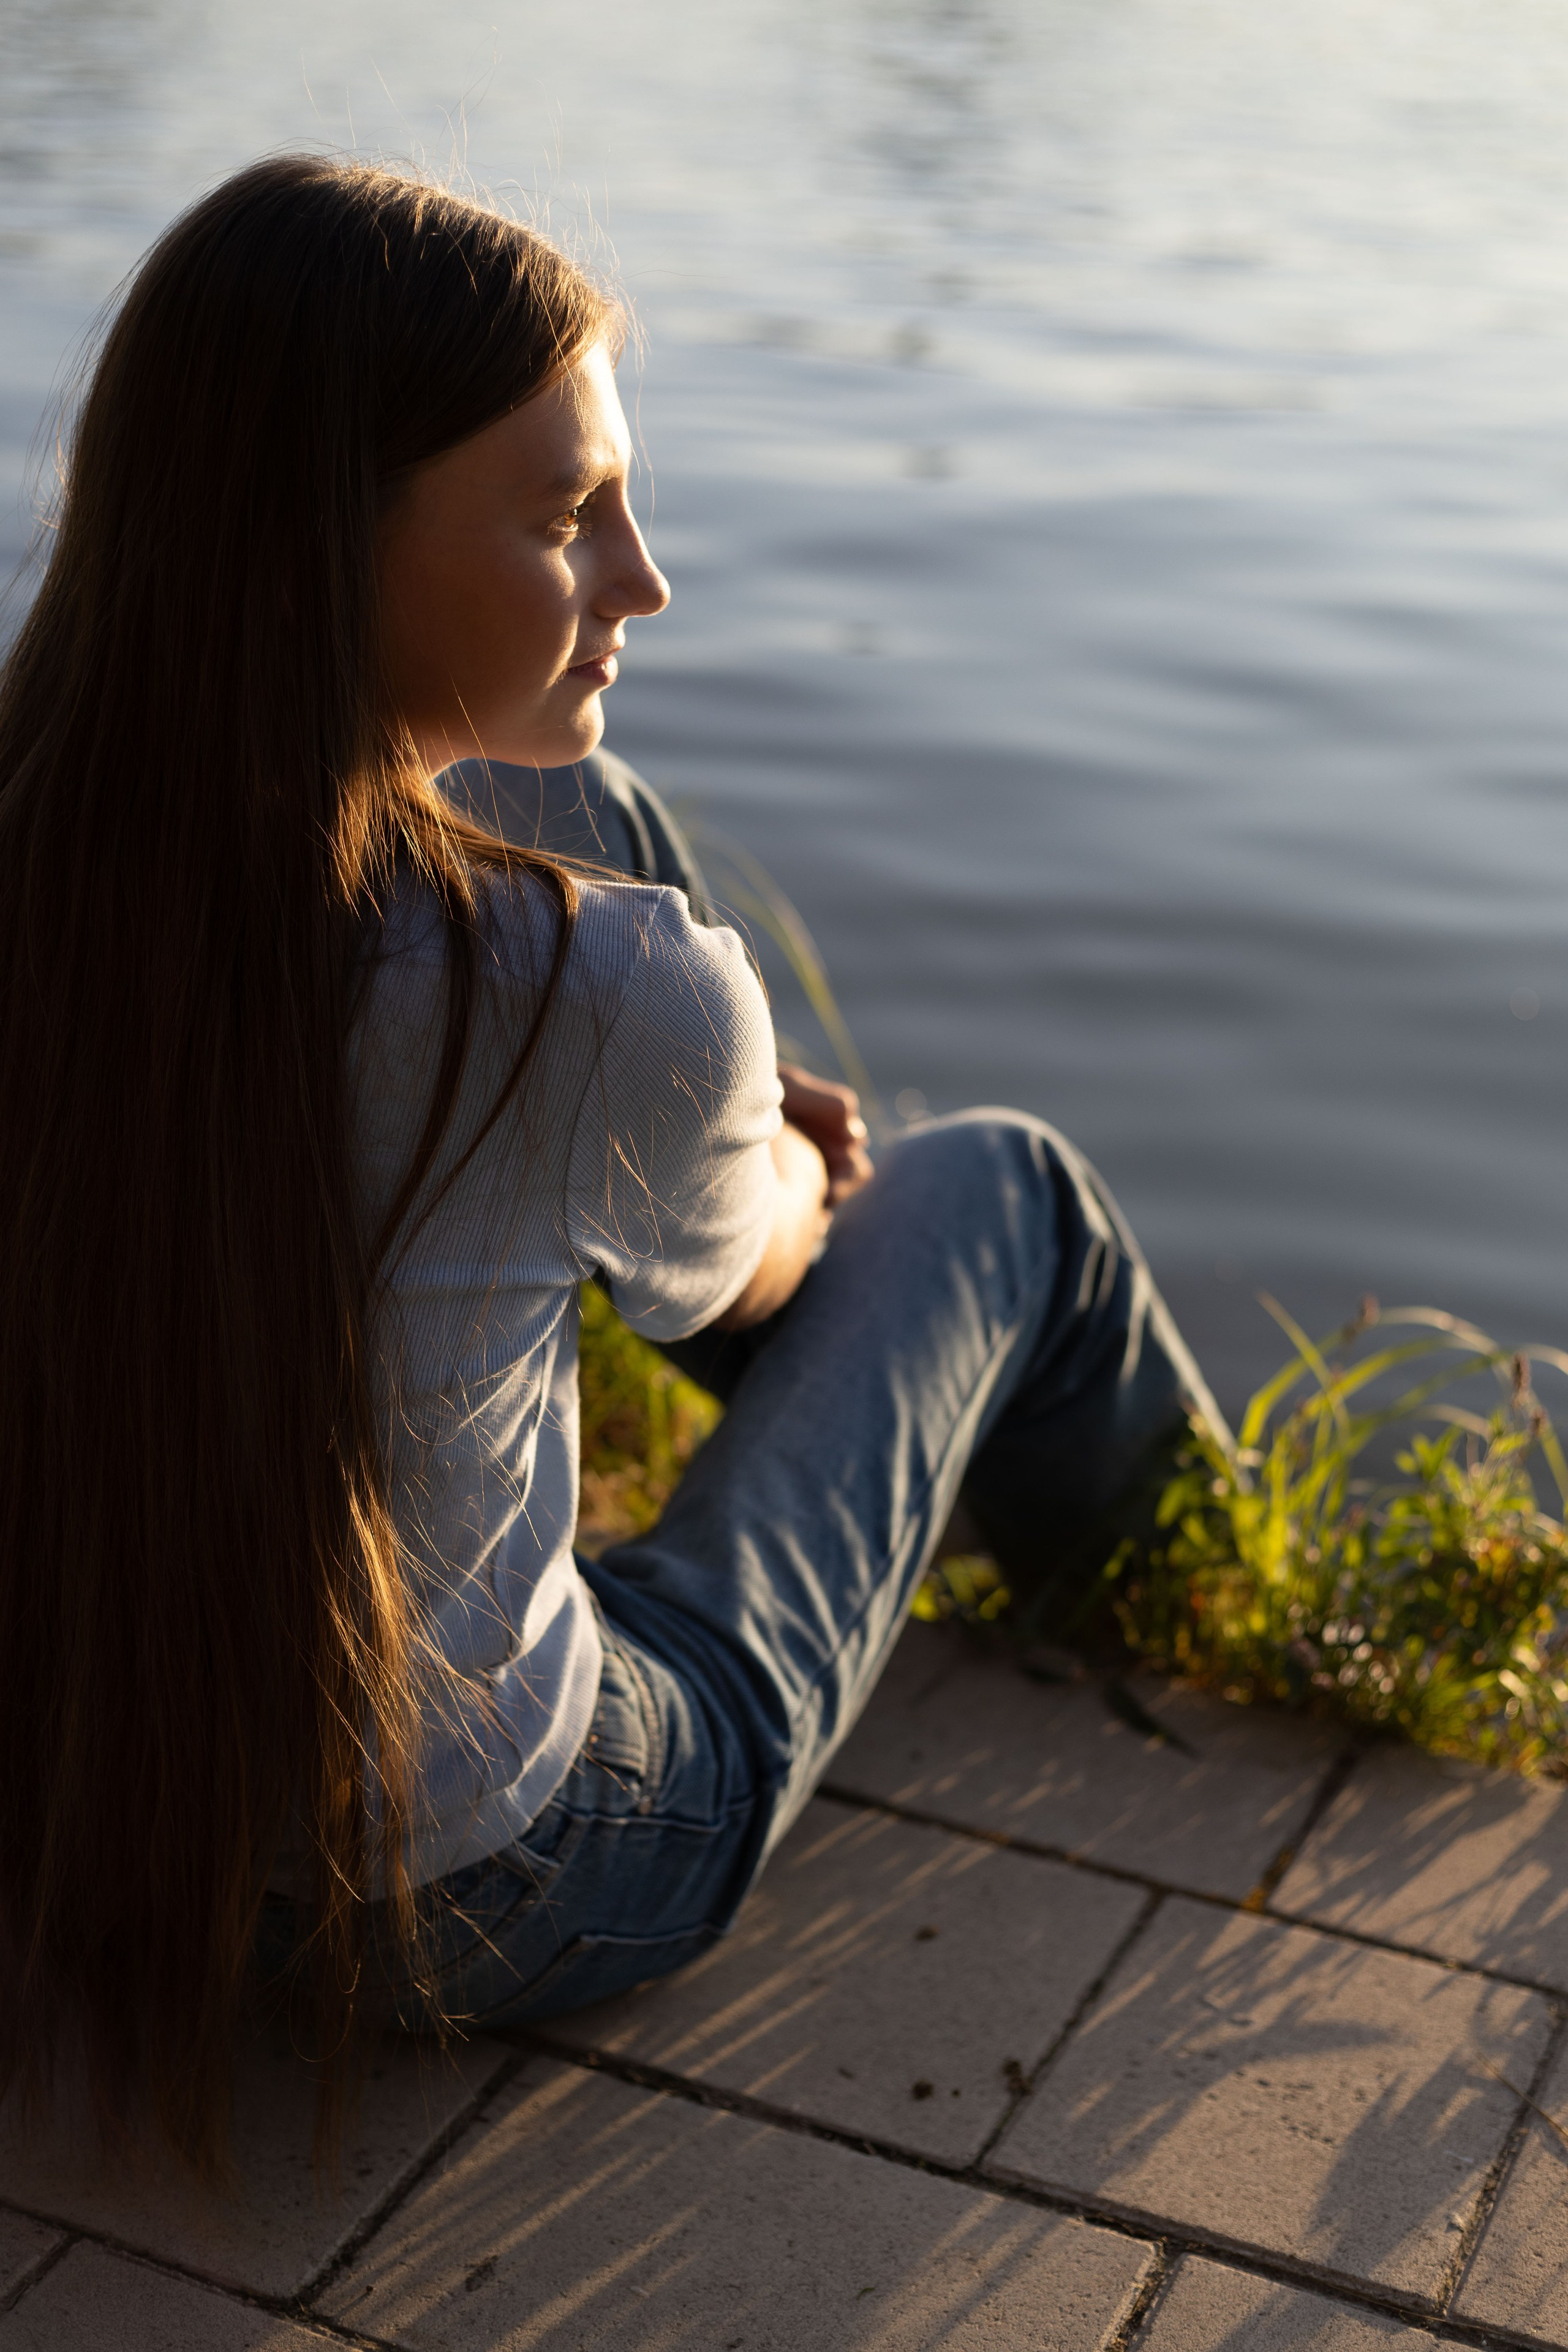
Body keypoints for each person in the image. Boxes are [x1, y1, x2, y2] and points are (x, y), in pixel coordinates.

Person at [0, 155, 1221, 2173]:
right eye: (572, 518)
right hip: (483, 1880)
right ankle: (1197, 1618)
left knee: (583, 786)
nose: (647, 580)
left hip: (76, 1822)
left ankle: (673, 1187)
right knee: (1001, 1190)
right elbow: (761, 1277)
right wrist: (768, 1149)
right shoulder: (577, 990)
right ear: (322, 540)